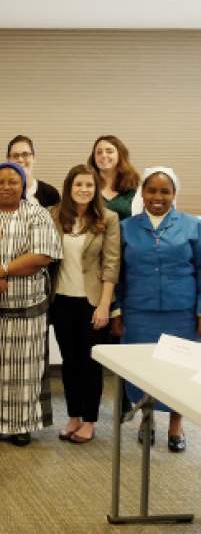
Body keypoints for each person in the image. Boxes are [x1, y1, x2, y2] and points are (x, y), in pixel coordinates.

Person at [0, 162, 62, 446]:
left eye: (13, 181)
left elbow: (42, 255)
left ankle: (21, 426)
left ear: (22, 186)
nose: (6, 186)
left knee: (24, 371)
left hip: (26, 312)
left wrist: (1, 270)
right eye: (0, 181)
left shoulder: (37, 214)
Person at [111, 167, 200, 453]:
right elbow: (115, 273)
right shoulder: (126, 227)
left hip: (181, 312)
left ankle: (176, 425)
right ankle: (145, 420)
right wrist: (116, 311)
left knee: (178, 370)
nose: (158, 196)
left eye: (165, 191)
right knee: (143, 369)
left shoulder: (192, 225)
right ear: (142, 194)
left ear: (174, 194)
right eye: (151, 190)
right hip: (139, 312)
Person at [49, 165, 120, 444]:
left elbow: (111, 265)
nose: (84, 190)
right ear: (69, 187)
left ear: (96, 189)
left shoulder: (108, 218)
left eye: (89, 185)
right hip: (62, 300)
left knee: (90, 364)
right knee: (69, 362)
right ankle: (73, 416)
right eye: (79, 185)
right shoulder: (54, 215)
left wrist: (104, 305)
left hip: (92, 302)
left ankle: (89, 420)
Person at [0, 135, 60, 208]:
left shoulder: (51, 194)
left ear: (34, 158)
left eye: (25, 154)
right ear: (8, 160)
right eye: (15, 155)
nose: (20, 159)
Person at [87, 135, 140, 221]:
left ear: (120, 155)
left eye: (109, 151)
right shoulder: (87, 186)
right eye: (99, 152)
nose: (103, 155)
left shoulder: (134, 188)